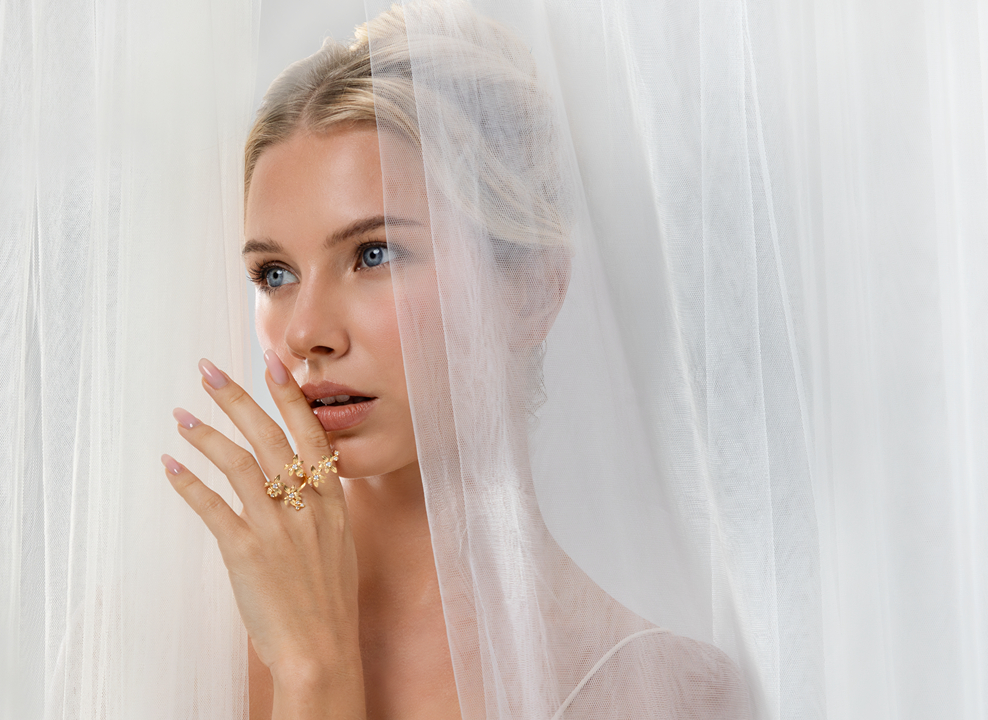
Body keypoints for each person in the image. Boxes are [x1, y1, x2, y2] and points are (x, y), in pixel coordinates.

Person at [161, 3, 751, 718]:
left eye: (373, 254)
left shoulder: (661, 693)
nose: (307, 332)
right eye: (275, 274)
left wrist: (316, 673)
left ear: (532, 290)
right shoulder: (155, 639)